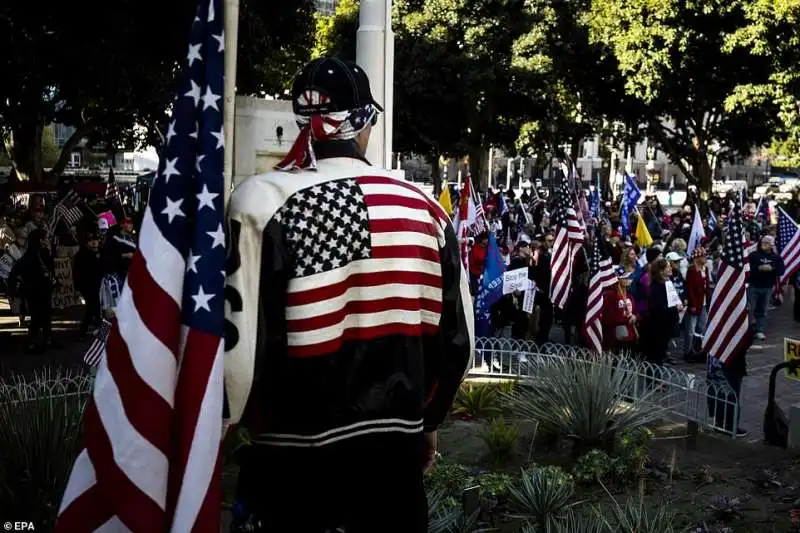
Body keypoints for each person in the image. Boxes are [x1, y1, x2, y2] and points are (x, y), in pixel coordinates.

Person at [225, 57, 474, 533]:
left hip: (289, 467)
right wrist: (427, 423)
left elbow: (235, 344)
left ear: (299, 119)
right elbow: (457, 345)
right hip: (392, 466)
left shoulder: (259, 199)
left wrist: (218, 435)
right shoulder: (426, 210)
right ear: (365, 123)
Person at [8, 228, 58, 353]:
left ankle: (48, 338)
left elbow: (50, 268)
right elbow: (15, 273)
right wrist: (15, 290)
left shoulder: (45, 253)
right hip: (33, 292)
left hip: (45, 290)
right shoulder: (29, 257)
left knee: (46, 316)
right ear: (41, 240)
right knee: (36, 317)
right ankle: (31, 342)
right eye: (46, 238)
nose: (48, 240)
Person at [748, 235, 785, 340]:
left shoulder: (776, 257)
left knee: (763, 310)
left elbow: (781, 271)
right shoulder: (754, 255)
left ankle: (759, 330)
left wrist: (772, 269)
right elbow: (748, 269)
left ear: (772, 245)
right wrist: (759, 268)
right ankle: (747, 331)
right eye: (764, 242)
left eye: (768, 242)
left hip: (767, 287)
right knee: (750, 309)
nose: (765, 244)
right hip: (753, 286)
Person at [73, 232, 104, 338]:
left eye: (96, 240)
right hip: (87, 285)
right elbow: (77, 272)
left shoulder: (99, 253)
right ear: (86, 243)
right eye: (91, 241)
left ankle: (95, 329)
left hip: (97, 284)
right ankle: (84, 330)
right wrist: (77, 287)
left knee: (96, 307)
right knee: (92, 307)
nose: (94, 242)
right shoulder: (82, 255)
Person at [602, 267, 639, 355]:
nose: (627, 280)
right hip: (617, 336)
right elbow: (608, 318)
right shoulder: (611, 296)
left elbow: (635, 311)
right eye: (624, 278)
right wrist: (626, 320)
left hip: (631, 334)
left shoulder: (629, 295)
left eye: (627, 278)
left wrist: (635, 317)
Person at [684, 247, 712, 363]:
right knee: (690, 330)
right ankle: (688, 351)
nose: (705, 258)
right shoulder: (691, 270)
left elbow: (707, 285)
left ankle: (700, 349)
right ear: (697, 258)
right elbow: (689, 288)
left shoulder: (705, 269)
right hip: (695, 303)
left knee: (703, 328)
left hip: (704, 303)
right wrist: (692, 303)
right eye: (703, 256)